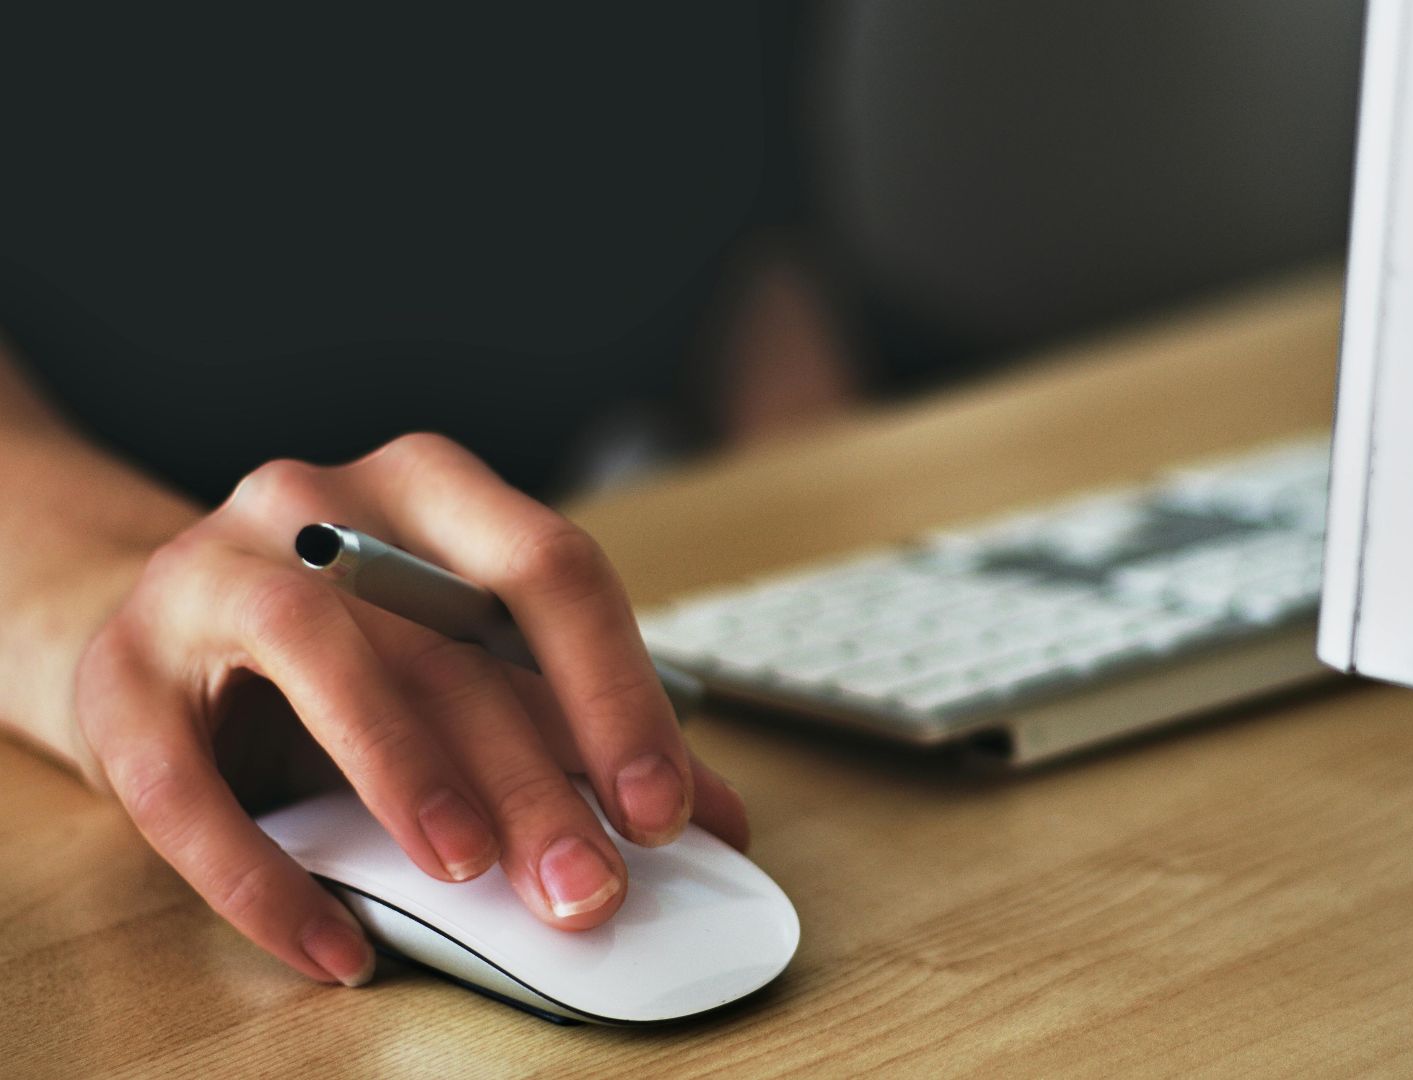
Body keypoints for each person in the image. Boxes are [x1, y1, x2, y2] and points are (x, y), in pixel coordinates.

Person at [0, 6, 844, 989]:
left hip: (543, 602)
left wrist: (827, 566)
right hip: (159, 552)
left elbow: (756, 246)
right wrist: (112, 606)